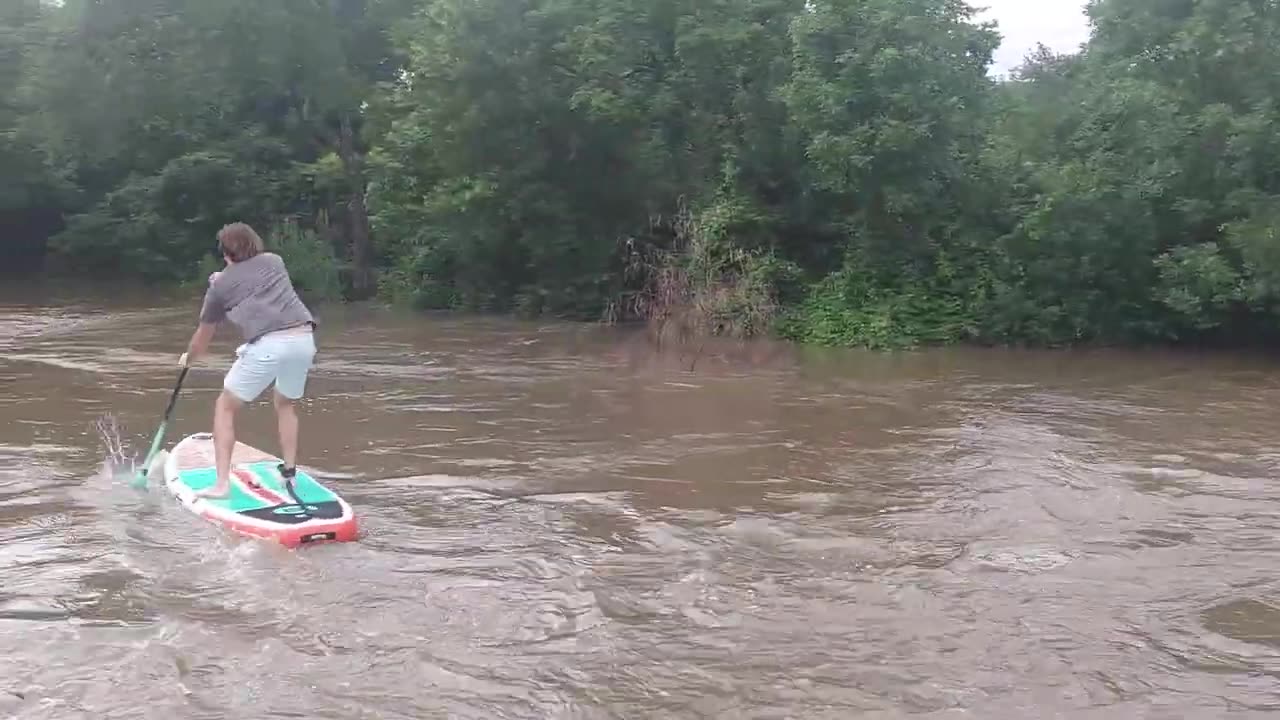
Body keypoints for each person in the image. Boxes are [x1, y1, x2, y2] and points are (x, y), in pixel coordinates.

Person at [179, 222, 318, 500]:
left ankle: (221, 485)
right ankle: (289, 471)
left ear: (225, 253)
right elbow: (253, 278)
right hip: (304, 340)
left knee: (225, 407)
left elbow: (204, 335)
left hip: (268, 345)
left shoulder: (219, 287)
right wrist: (224, 277)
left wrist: (189, 358)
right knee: (285, 402)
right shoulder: (274, 261)